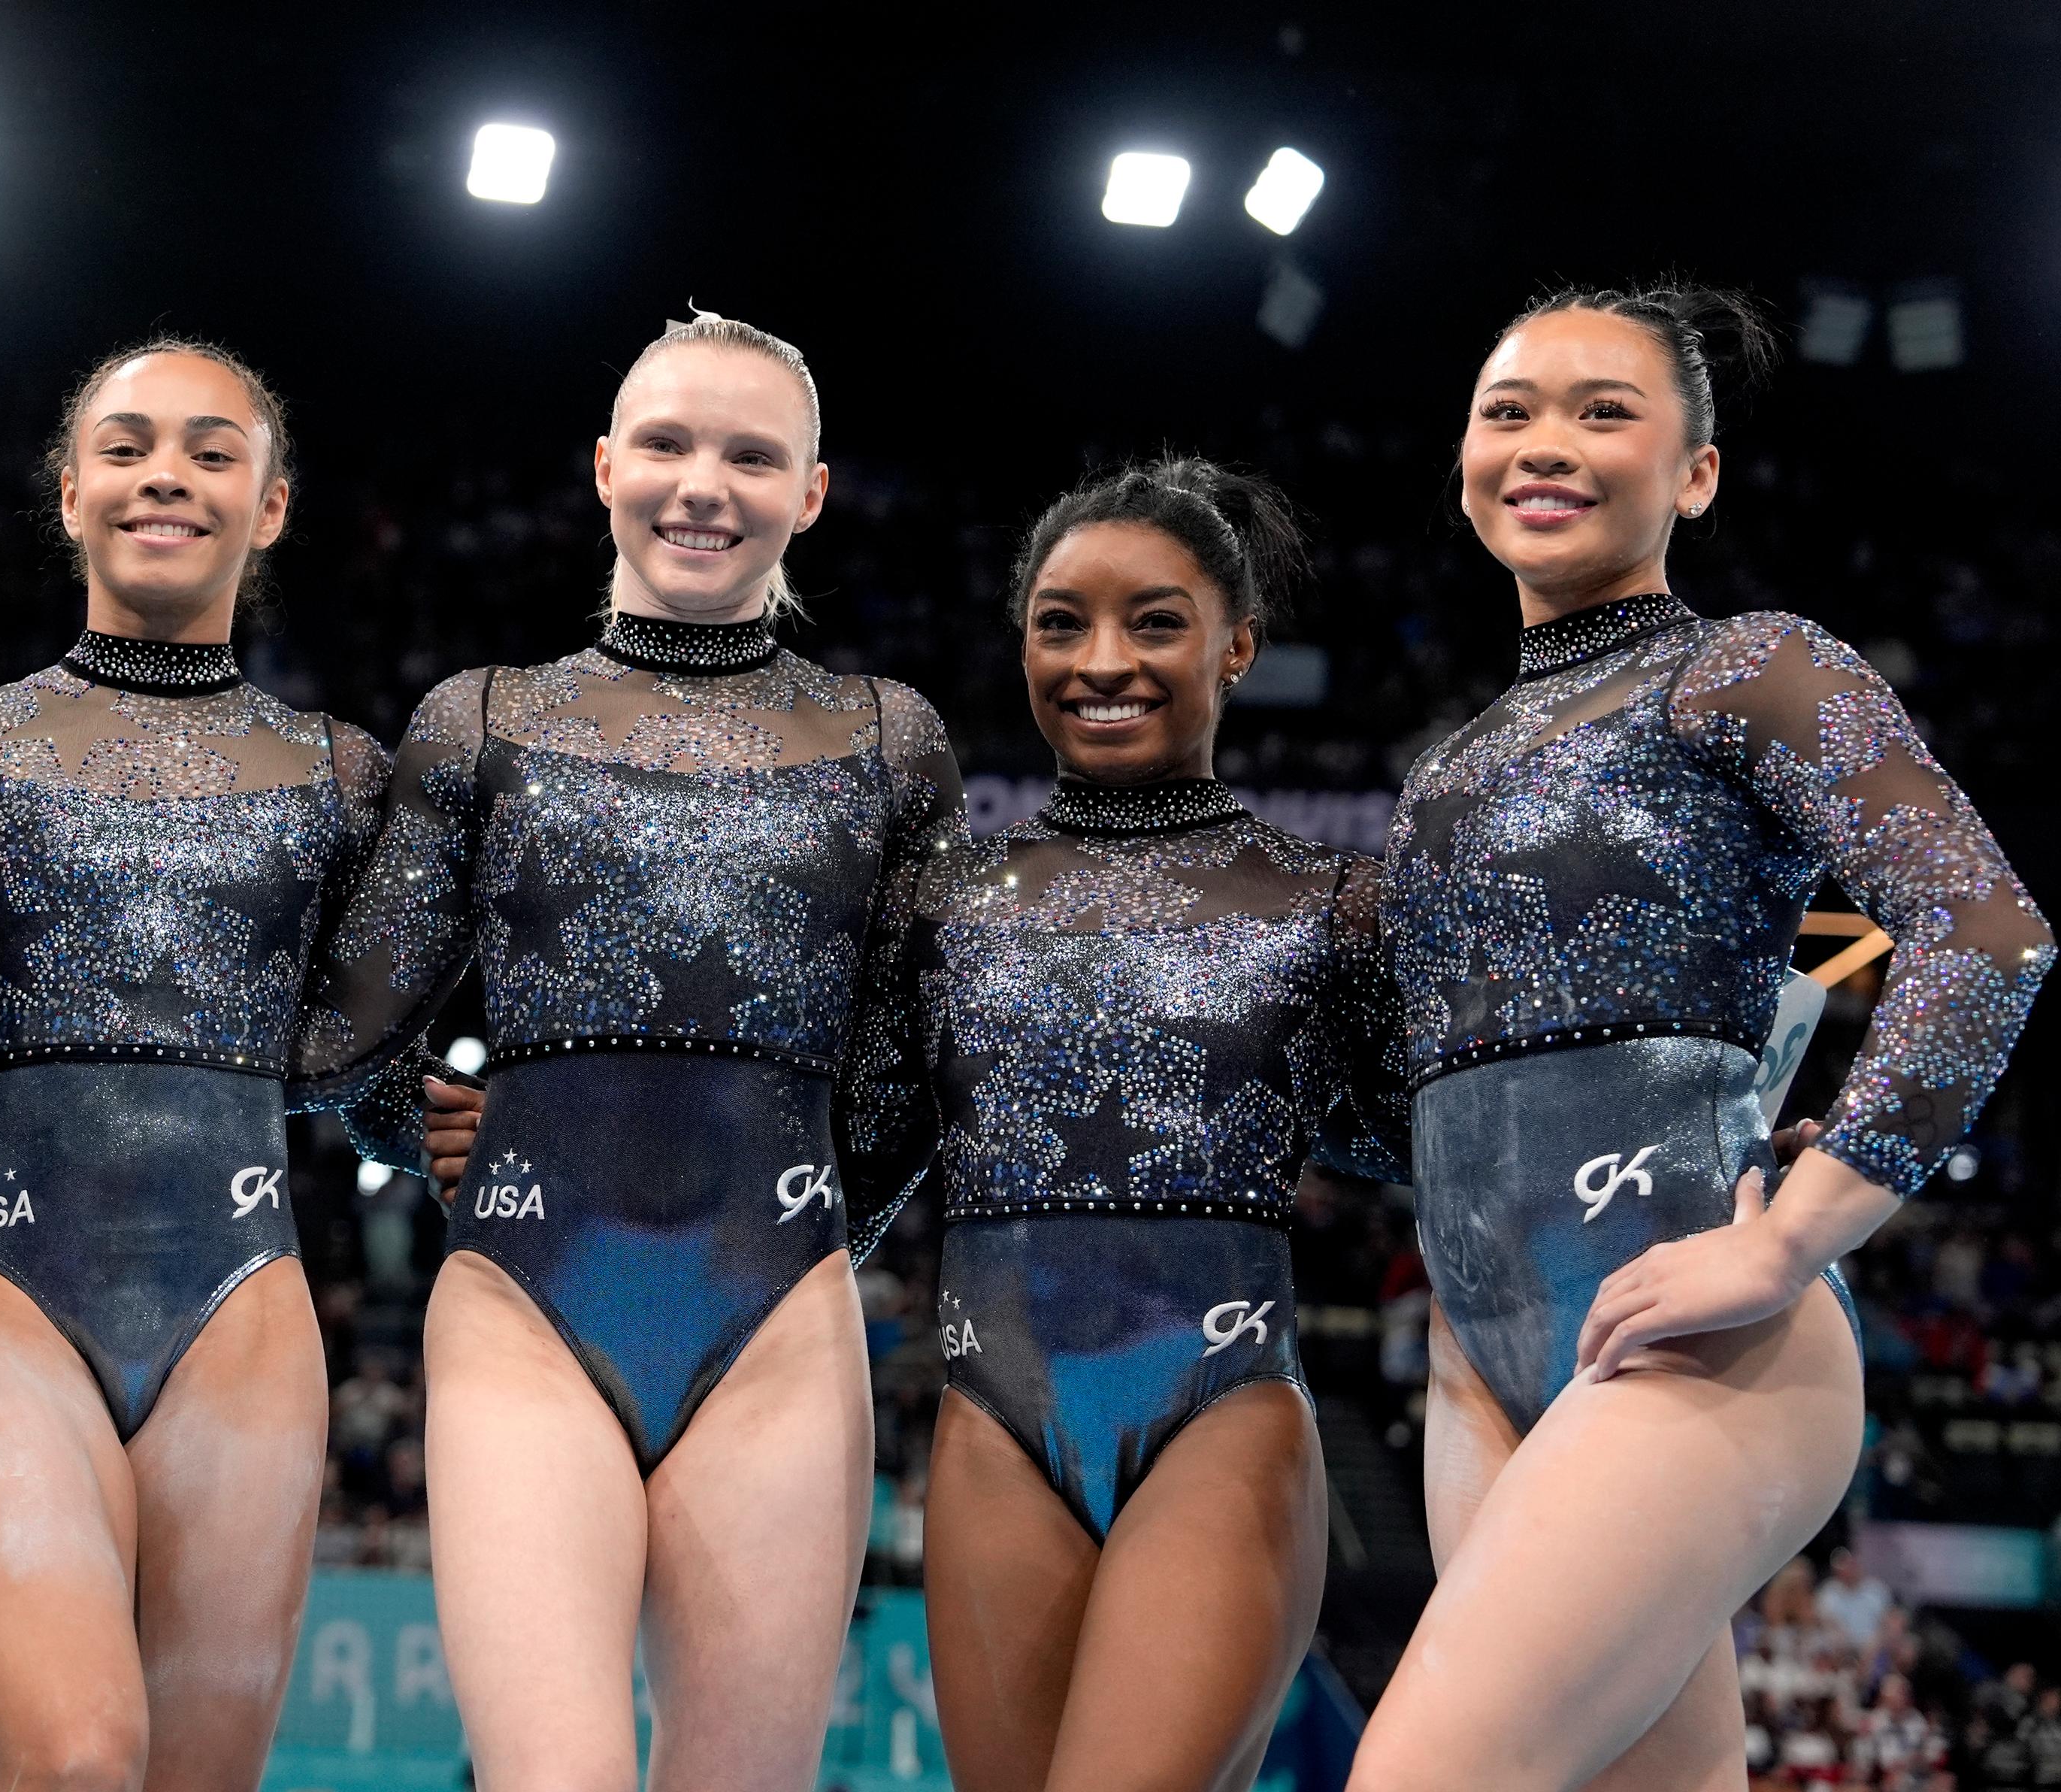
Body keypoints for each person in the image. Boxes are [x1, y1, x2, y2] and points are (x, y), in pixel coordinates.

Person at [1350, 284, 2050, 1790]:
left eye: (1605, 411)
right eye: (1510, 409)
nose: (1546, 443)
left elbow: (1989, 930)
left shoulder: (1744, 663)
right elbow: (1405, 1089)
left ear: (1697, 472)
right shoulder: (1447, 767)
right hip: (1484, 1363)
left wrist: (1793, 1232)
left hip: (1701, 1338)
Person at [320, 311, 964, 1790]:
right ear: (605, 466)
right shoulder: (482, 723)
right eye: (668, 443)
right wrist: (411, 1127)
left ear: (810, 491)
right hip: (524, 1310)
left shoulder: (889, 738)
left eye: (752, 454)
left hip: (782, 1325)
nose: (703, 484)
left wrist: (825, 1213)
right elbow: (349, 1033)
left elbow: (918, 1054)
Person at [0, 340, 480, 1791]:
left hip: (243, 1313)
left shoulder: (341, 772)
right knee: (80, 1760)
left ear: (269, 507)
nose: (168, 475)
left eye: (214, 452)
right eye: (131, 445)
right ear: (70, 488)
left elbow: (361, 1070)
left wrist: (451, 1127)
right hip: (7, 1289)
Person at [841, 457, 1408, 1792]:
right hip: (994, 1424)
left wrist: (1709, 1145)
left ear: (1238, 646)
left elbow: (1439, 1148)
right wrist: (529, 1137)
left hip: (1222, 1416)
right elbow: (840, 1176)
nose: (1105, 660)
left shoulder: (1329, 902)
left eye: (1156, 621)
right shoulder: (939, 906)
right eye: (1061, 622)